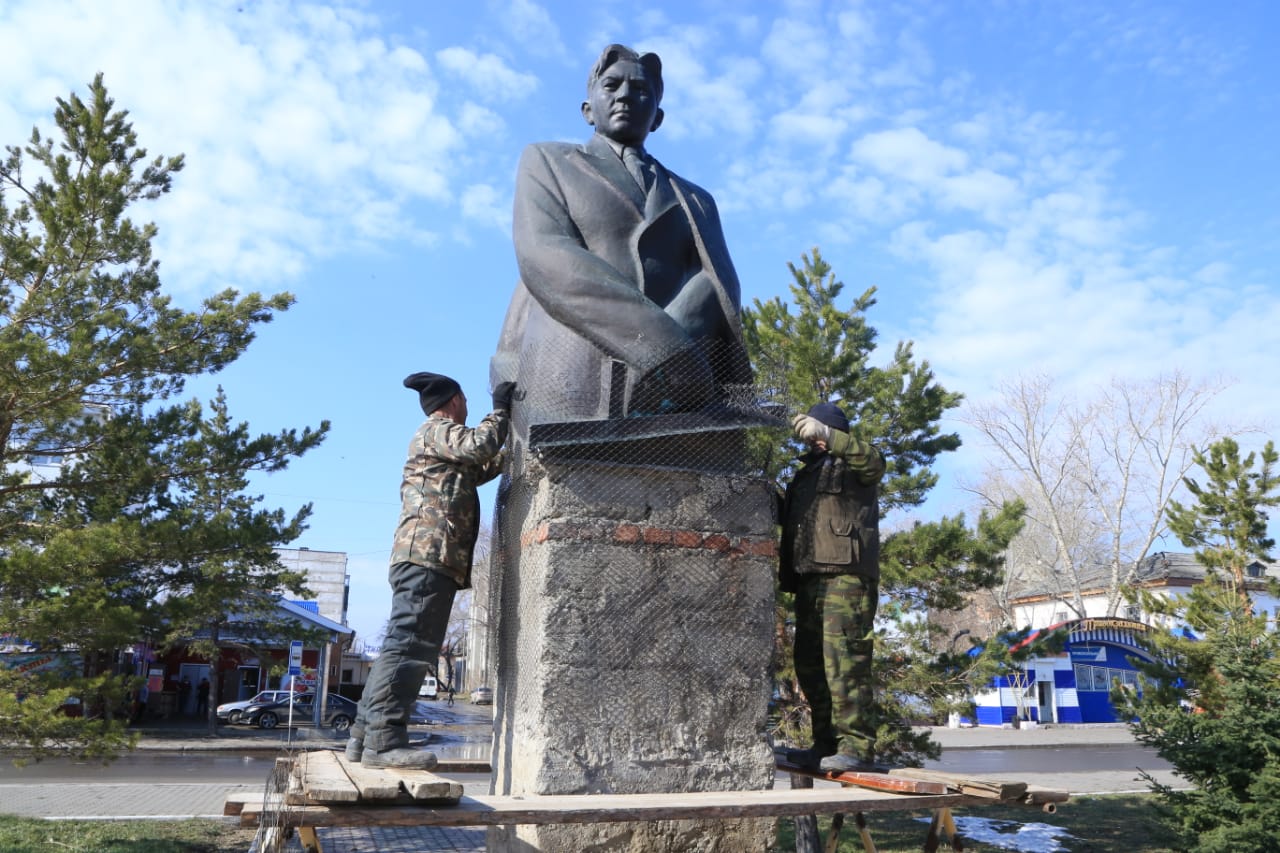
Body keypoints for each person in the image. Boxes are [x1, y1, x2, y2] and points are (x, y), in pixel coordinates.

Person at [491, 43, 752, 429]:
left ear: (657, 118)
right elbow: (545, 254)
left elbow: (720, 287)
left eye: (641, 90)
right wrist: (664, 347)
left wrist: (686, 365)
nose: (626, 95)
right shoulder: (547, 161)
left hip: (680, 402)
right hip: (575, 386)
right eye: (612, 85)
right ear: (587, 110)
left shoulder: (697, 199)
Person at [345, 372, 513, 769]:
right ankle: (383, 743)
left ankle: (363, 736)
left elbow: (479, 466)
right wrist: (501, 412)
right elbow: (480, 444)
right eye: (466, 400)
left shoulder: (439, 444)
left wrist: (515, 451)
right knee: (410, 647)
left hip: (423, 558)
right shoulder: (436, 430)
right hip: (427, 556)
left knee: (400, 646)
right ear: (454, 401)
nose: (468, 407)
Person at [779, 401, 886, 773]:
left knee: (845, 662)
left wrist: (829, 435)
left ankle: (857, 747)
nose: (813, 440)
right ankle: (825, 744)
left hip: (846, 578)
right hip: (809, 578)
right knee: (811, 665)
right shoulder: (805, 474)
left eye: (819, 432)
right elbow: (790, 517)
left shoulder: (855, 464)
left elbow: (875, 462)